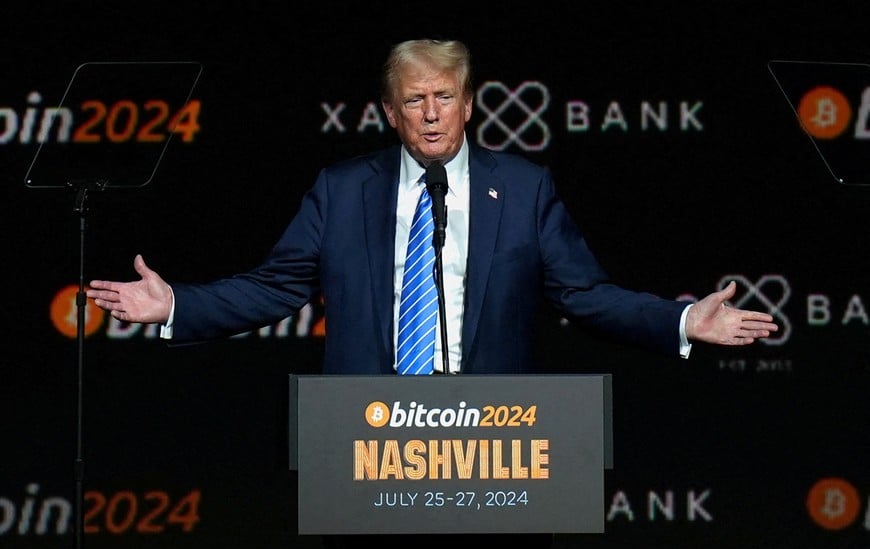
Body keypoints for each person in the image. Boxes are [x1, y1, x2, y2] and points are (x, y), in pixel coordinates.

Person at [86, 38, 777, 375]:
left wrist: (681, 318)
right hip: (366, 443)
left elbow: (585, 295)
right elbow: (275, 288)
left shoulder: (526, 190)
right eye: (415, 99)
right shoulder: (343, 189)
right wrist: (177, 304)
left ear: (471, 103)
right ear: (391, 111)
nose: (433, 114)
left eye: (445, 96)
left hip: (495, 447)